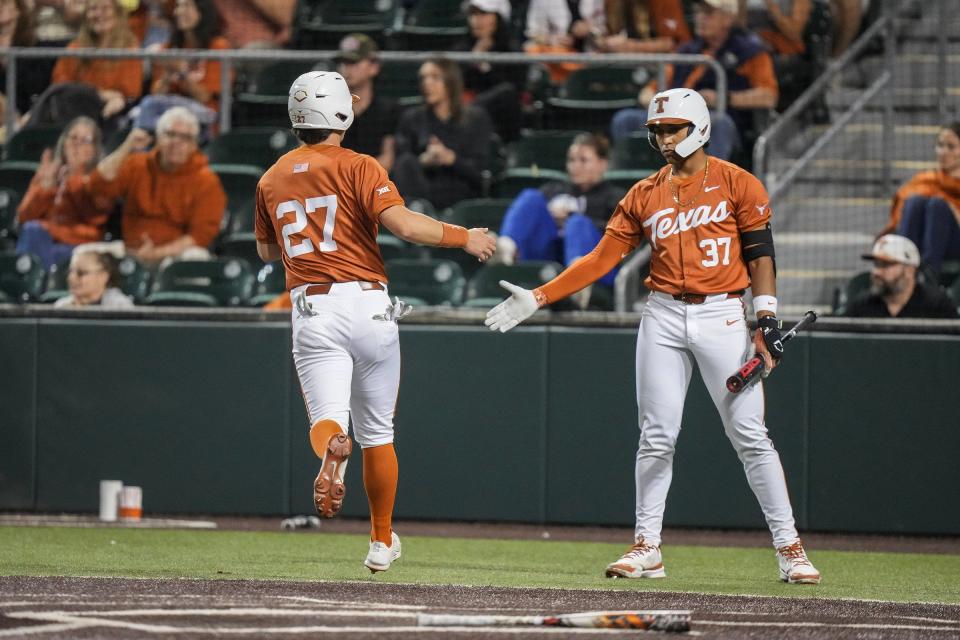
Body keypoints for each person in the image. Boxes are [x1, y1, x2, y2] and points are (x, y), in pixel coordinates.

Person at [485, 88, 820, 585]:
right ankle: (647, 546)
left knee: (749, 435)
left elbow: (760, 255)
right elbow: (600, 260)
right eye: (657, 130)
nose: (663, 138)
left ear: (699, 127)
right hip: (663, 313)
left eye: (672, 128)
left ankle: (789, 547)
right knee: (656, 436)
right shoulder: (644, 192)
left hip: (724, 314)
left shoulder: (737, 183)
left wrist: (766, 319)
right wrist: (539, 296)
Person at [254, 71, 495, 573]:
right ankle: (381, 541)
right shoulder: (360, 165)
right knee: (379, 433)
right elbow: (404, 225)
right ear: (341, 112)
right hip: (368, 303)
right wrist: (463, 237)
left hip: (313, 306)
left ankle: (332, 450)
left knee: (327, 420)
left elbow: (266, 250)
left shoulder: (270, 177)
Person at [610, 0, 778, 162]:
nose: (700, 18)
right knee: (625, 119)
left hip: (715, 118)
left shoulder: (751, 51)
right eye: (698, 12)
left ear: (728, 18)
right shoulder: (686, 50)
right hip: (673, 119)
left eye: (708, 13)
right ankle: (634, 183)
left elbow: (768, 96)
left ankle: (706, 187)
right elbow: (648, 92)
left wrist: (722, 98)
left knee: (718, 123)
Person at [87, 106, 226, 265]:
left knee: (195, 258)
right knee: (84, 254)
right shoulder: (137, 164)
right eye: (170, 134)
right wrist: (127, 147)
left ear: (194, 145)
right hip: (130, 250)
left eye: (185, 138)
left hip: (174, 255)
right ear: (158, 138)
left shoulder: (206, 181)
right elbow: (97, 186)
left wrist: (157, 253)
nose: (176, 143)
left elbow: (199, 236)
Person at [496, 133, 625, 293]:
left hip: (595, 266)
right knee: (531, 197)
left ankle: (578, 280)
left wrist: (570, 218)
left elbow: (621, 237)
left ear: (602, 164)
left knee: (577, 223)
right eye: (571, 160)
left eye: (583, 160)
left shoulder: (614, 197)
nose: (575, 166)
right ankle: (506, 249)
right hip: (549, 258)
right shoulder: (554, 190)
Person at [393, 57, 495, 211]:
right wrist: (424, 161)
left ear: (451, 81)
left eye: (435, 77)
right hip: (421, 190)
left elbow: (480, 173)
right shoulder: (413, 118)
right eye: (423, 78)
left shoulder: (475, 118)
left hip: (460, 190)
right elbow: (402, 165)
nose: (427, 83)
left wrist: (451, 159)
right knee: (406, 162)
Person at [16, 117, 115, 268]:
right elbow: (24, 216)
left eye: (85, 140)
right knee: (32, 230)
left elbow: (96, 219)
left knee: (34, 231)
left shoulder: (101, 178)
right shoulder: (48, 172)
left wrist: (74, 177)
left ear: (95, 149)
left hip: (80, 247)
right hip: (44, 241)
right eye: (73, 138)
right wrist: (47, 187)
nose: (77, 144)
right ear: (64, 143)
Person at [138, 0, 230, 137]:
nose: (179, 12)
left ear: (202, 12)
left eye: (187, 6)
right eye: (178, 6)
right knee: (148, 106)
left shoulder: (218, 46)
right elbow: (157, 94)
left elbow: (204, 97)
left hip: (205, 113)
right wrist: (168, 74)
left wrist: (182, 71)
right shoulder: (169, 47)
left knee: (149, 108)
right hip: (169, 110)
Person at [879, 122, 960, 276]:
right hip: (923, 238)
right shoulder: (926, 179)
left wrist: (950, 208)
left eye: (951, 147)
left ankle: (928, 276)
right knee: (914, 202)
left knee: (937, 206)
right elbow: (902, 208)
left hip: (955, 242)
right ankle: (902, 266)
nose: (943, 152)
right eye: (940, 145)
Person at [49, 0, 143, 121]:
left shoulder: (130, 48)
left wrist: (118, 100)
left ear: (117, 12)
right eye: (93, 9)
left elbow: (131, 94)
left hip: (116, 113)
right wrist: (100, 94)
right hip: (75, 110)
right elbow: (60, 86)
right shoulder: (75, 47)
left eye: (105, 8)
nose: (99, 14)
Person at [455, 0, 525, 142]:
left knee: (506, 91)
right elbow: (455, 81)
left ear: (498, 18)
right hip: (464, 113)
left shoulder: (512, 51)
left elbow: (513, 89)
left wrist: (484, 67)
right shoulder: (462, 49)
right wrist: (473, 60)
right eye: (473, 14)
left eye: (483, 14)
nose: (476, 20)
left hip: (502, 121)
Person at [844, 234, 958, 319]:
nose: (877, 272)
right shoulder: (861, 306)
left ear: (909, 270)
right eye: (876, 265)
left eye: (886, 265)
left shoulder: (937, 306)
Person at [335, 33, 400, 172]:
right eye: (343, 62)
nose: (346, 68)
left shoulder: (388, 110)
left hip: (375, 185)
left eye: (353, 62)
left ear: (374, 67)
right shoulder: (330, 109)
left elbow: (388, 159)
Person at [53, 249, 134, 308]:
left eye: (81, 273)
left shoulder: (120, 307)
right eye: (70, 271)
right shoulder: (61, 307)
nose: (71, 278)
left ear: (103, 276)